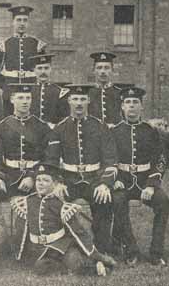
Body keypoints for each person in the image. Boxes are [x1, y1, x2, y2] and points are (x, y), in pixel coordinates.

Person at [12, 163, 117, 276]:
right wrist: (19, 255)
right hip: (39, 249)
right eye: (38, 180)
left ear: (55, 184)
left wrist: (94, 254)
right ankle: (72, 269)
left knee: (74, 261)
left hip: (61, 245)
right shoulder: (27, 202)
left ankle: (97, 266)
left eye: (46, 180)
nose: (40, 184)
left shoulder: (61, 204)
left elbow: (77, 231)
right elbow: (20, 231)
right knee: (40, 267)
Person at [49, 84, 117, 255]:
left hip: (94, 179)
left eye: (82, 99)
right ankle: (65, 248)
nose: (79, 103)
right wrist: (57, 182)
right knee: (55, 201)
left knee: (104, 200)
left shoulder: (100, 126)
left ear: (88, 101)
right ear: (69, 101)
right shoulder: (59, 128)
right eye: (75, 99)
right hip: (69, 180)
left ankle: (101, 249)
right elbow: (51, 160)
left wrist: (105, 184)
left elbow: (110, 159)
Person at [111, 87, 169, 266]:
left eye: (135, 102)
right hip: (123, 182)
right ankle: (131, 250)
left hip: (146, 181)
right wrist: (116, 180)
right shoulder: (114, 131)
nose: (131, 106)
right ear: (122, 107)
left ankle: (156, 252)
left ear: (141, 107)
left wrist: (152, 184)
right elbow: (108, 159)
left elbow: (160, 159)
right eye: (128, 103)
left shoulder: (150, 131)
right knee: (118, 201)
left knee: (164, 202)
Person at [0, 84, 57, 201]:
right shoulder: (2, 126)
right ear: (12, 100)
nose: (25, 102)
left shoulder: (42, 126)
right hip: (9, 176)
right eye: (20, 98)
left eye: (28, 98)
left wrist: (32, 177)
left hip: (36, 176)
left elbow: (48, 157)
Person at [0, 5, 47, 115]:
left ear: (28, 23)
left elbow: (43, 71)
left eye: (25, 20)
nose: (22, 23)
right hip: (10, 91)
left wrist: (36, 87)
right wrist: (6, 86)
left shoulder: (37, 44)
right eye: (18, 20)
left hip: (31, 91)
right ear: (13, 22)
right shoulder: (5, 44)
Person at [29, 53, 69, 128]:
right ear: (34, 70)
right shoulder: (28, 90)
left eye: (46, 68)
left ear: (51, 69)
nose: (43, 72)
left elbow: (64, 117)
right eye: (40, 68)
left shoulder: (60, 92)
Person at [88, 52, 122, 127]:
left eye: (106, 68)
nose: (103, 71)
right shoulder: (88, 93)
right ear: (93, 70)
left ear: (112, 70)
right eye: (99, 68)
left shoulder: (120, 93)